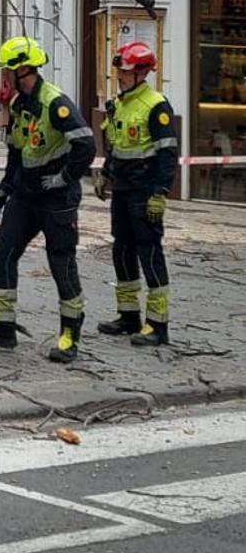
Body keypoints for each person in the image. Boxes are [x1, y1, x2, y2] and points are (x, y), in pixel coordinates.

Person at [0, 37, 96, 364]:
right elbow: (16, 151)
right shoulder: (17, 105)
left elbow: (86, 144)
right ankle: (2, 327)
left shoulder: (56, 103)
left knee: (62, 264)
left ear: (24, 69)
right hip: (25, 196)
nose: (5, 76)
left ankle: (70, 333)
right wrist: (4, 190)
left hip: (57, 199)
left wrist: (64, 178)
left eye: (9, 70)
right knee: (3, 254)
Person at [97, 41, 177, 346]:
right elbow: (116, 145)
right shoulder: (119, 104)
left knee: (150, 252)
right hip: (123, 189)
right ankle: (128, 316)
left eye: (126, 71)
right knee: (122, 250)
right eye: (119, 70)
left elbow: (168, 154)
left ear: (143, 72)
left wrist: (160, 193)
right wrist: (106, 172)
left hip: (144, 191)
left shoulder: (156, 106)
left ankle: (157, 324)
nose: (120, 75)